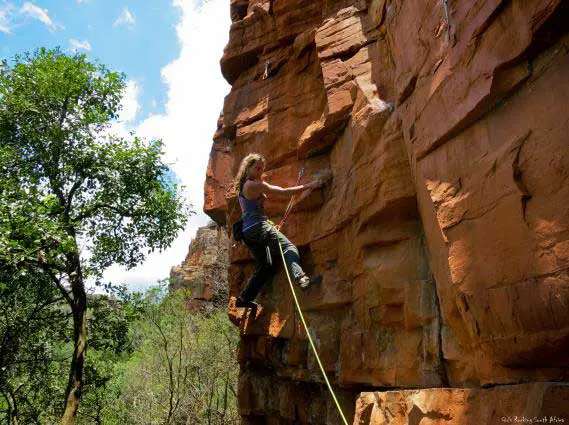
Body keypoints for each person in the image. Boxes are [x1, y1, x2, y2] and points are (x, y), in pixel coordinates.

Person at [232, 153, 323, 314]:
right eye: (257, 168)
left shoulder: (244, 185)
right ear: (248, 168)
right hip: (258, 228)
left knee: (266, 266)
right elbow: (284, 192)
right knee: (289, 248)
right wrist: (311, 185)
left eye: (262, 169)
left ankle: (244, 299)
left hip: (249, 232)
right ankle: (301, 278)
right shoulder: (253, 185)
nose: (260, 171)